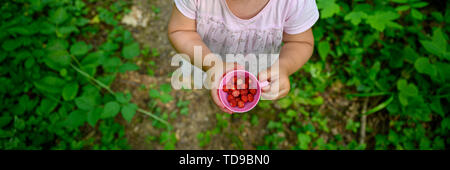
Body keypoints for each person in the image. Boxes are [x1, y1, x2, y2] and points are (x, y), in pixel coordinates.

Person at [168, 0, 319, 113]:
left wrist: (284, 67)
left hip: (261, 68)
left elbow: (300, 42)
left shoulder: (295, 3)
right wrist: (211, 65)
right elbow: (181, 30)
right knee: (203, 81)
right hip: (204, 57)